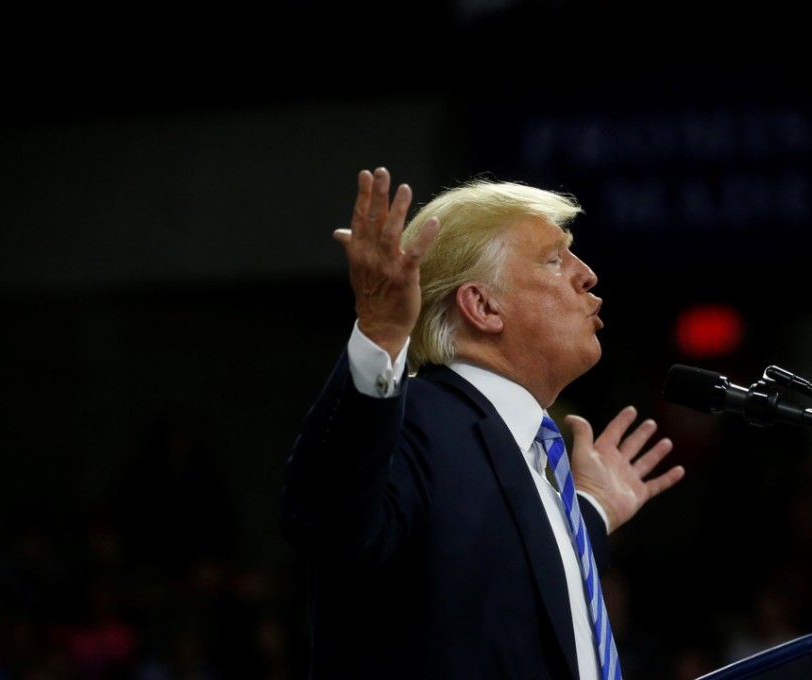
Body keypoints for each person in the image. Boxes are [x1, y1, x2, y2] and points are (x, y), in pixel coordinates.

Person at [279, 166, 686, 679]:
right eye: (554, 258)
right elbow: (326, 520)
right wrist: (379, 336)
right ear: (482, 305)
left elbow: (506, 585)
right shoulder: (414, 420)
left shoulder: (530, 454)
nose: (587, 274)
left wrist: (588, 515)